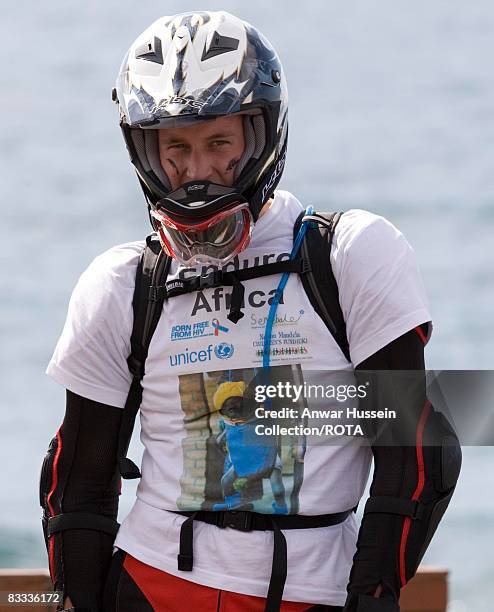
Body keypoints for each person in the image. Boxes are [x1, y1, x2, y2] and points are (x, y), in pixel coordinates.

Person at [40, 10, 460, 612]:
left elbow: (418, 450)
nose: (197, 173)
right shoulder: (121, 282)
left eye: (220, 143)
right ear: (146, 152)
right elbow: (77, 481)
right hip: (151, 584)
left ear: (262, 135)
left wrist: (372, 595)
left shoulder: (351, 253)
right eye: (175, 149)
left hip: (315, 591)